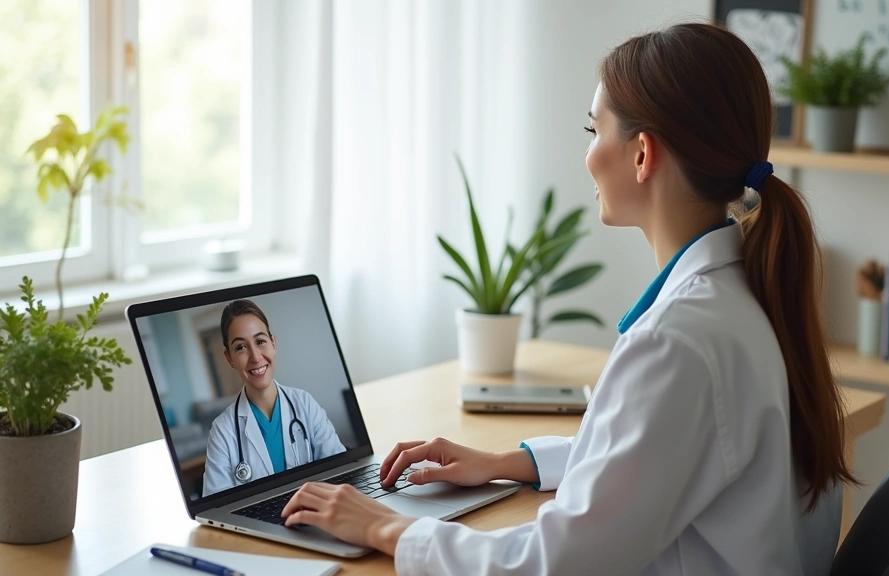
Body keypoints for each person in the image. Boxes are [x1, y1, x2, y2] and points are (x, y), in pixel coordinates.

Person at [278, 22, 854, 575]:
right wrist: (510, 463)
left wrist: (385, 528)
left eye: (593, 131)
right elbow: (652, 457)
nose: (587, 155)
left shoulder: (678, 341)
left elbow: (556, 565)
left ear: (642, 155)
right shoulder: (741, 295)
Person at [203, 300, 347, 496]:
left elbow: (341, 472)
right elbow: (217, 506)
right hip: (255, 525)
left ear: (273, 342)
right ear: (229, 358)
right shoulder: (222, 432)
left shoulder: (305, 404)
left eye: (260, 341)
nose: (255, 357)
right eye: (240, 347)